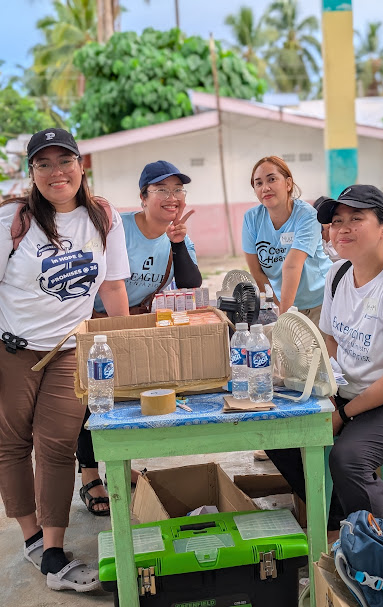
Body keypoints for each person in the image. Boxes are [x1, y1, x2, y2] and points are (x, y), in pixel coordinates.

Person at [265, 184, 383, 540]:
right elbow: (330, 340)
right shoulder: (337, 274)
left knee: (349, 457)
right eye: (336, 221)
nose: (343, 229)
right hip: (356, 391)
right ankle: (342, 522)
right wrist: (328, 388)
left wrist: (344, 414)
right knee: (278, 428)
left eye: (356, 219)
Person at [0, 128, 130, 591]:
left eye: (65, 161)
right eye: (44, 164)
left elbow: (112, 285)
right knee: (13, 446)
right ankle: (31, 536)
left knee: (56, 446)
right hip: (13, 350)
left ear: (81, 165)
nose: (57, 172)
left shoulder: (103, 216)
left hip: (70, 351)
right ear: (32, 172)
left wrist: (124, 345)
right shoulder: (13, 220)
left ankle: (53, 553)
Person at [78, 160, 202, 514]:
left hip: (135, 322)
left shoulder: (178, 235)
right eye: (162, 189)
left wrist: (178, 243)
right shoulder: (119, 227)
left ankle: (119, 463)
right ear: (143, 197)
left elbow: (191, 282)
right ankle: (89, 473)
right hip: (94, 320)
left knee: (126, 394)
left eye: (177, 190)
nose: (172, 197)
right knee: (91, 396)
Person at [242, 156, 332, 325]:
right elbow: (256, 271)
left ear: (288, 183)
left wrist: (284, 317)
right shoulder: (251, 219)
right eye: (258, 183)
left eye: (272, 179)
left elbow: (292, 265)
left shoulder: (307, 215)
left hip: (320, 302)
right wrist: (277, 306)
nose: (265, 188)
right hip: (283, 302)